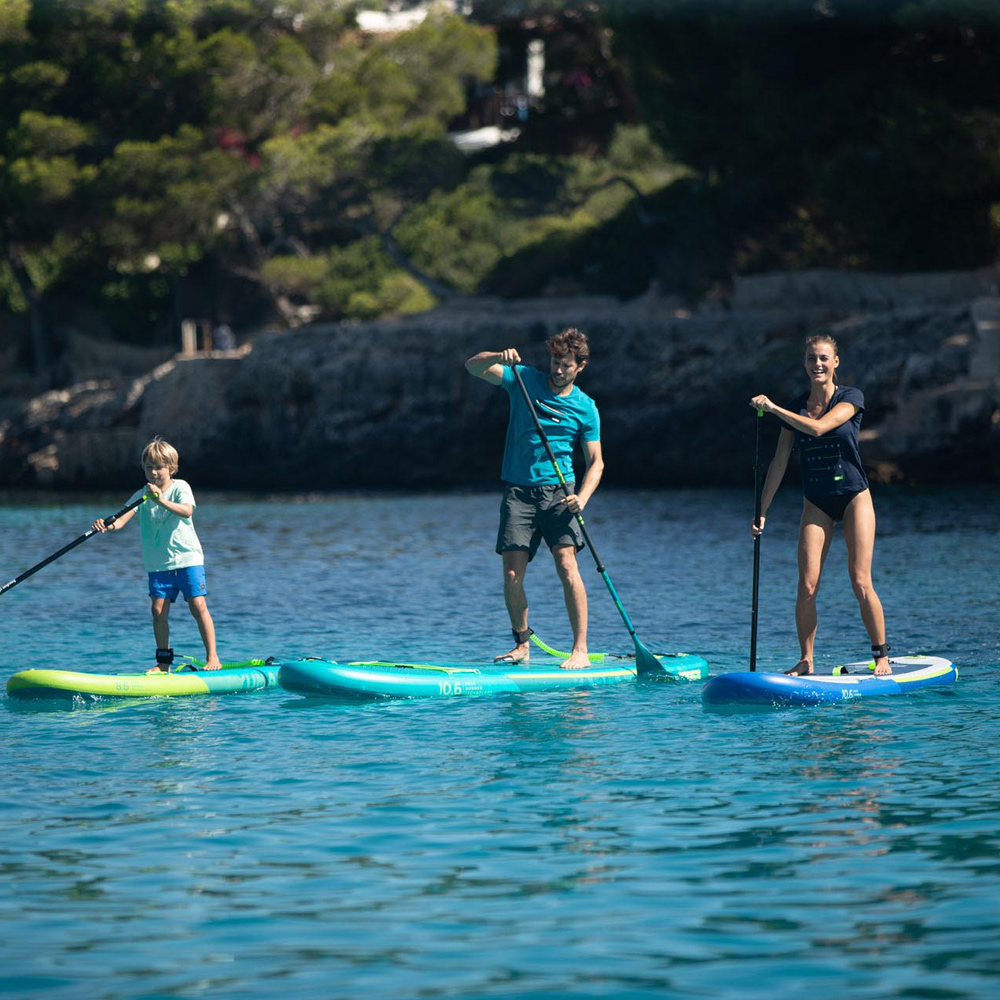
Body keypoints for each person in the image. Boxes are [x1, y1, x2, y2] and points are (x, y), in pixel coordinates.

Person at [750, 334, 891, 676]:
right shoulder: (796, 406)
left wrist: (774, 409)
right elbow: (779, 463)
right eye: (812, 358)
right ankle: (806, 659)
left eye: (824, 358)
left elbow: (818, 429)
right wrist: (761, 511)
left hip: (854, 496)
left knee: (860, 580)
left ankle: (882, 656)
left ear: (835, 362)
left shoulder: (851, 398)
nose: (818, 364)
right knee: (807, 585)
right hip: (816, 501)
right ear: (805, 363)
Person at [465, 328, 604, 670]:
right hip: (519, 493)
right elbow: (472, 366)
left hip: (561, 495)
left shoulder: (586, 408)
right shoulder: (524, 380)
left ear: (580, 366)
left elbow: (596, 462)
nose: (558, 370)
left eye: (566, 365)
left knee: (567, 566)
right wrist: (498, 356)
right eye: (555, 362)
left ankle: (580, 650)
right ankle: (521, 645)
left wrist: (583, 497)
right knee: (512, 574)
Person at [92, 437, 222, 673]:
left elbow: (187, 511)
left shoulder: (181, 487)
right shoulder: (141, 495)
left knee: (197, 605)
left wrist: (160, 500)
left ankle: (213, 657)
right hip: (158, 564)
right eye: (149, 467)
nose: (153, 472)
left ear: (171, 468)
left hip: (188, 559)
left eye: (159, 467)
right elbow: (119, 521)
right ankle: (164, 664)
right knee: (158, 611)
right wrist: (105, 524)